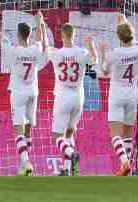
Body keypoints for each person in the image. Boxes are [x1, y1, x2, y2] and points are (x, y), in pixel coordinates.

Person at [47, 23, 98, 176]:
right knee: (69, 132)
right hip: (78, 96)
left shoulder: (57, 53)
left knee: (57, 136)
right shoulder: (81, 52)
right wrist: (91, 45)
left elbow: (43, 48)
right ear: (74, 35)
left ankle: (71, 153)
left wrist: (41, 27)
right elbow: (94, 59)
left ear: (62, 36)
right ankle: (68, 168)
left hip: (63, 96)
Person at [2, 11, 48, 176]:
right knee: (29, 127)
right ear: (29, 35)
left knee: (18, 127)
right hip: (33, 91)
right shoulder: (35, 49)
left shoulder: (14, 51)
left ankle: (26, 162)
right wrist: (40, 22)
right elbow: (41, 40)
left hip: (18, 91)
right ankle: (25, 162)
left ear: (17, 35)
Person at [100, 14, 138, 176]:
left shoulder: (114, 53)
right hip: (133, 95)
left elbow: (104, 70)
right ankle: (127, 167)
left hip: (117, 96)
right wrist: (125, 23)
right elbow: (134, 40)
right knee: (127, 135)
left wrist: (103, 52)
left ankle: (125, 163)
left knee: (115, 134)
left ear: (118, 37)